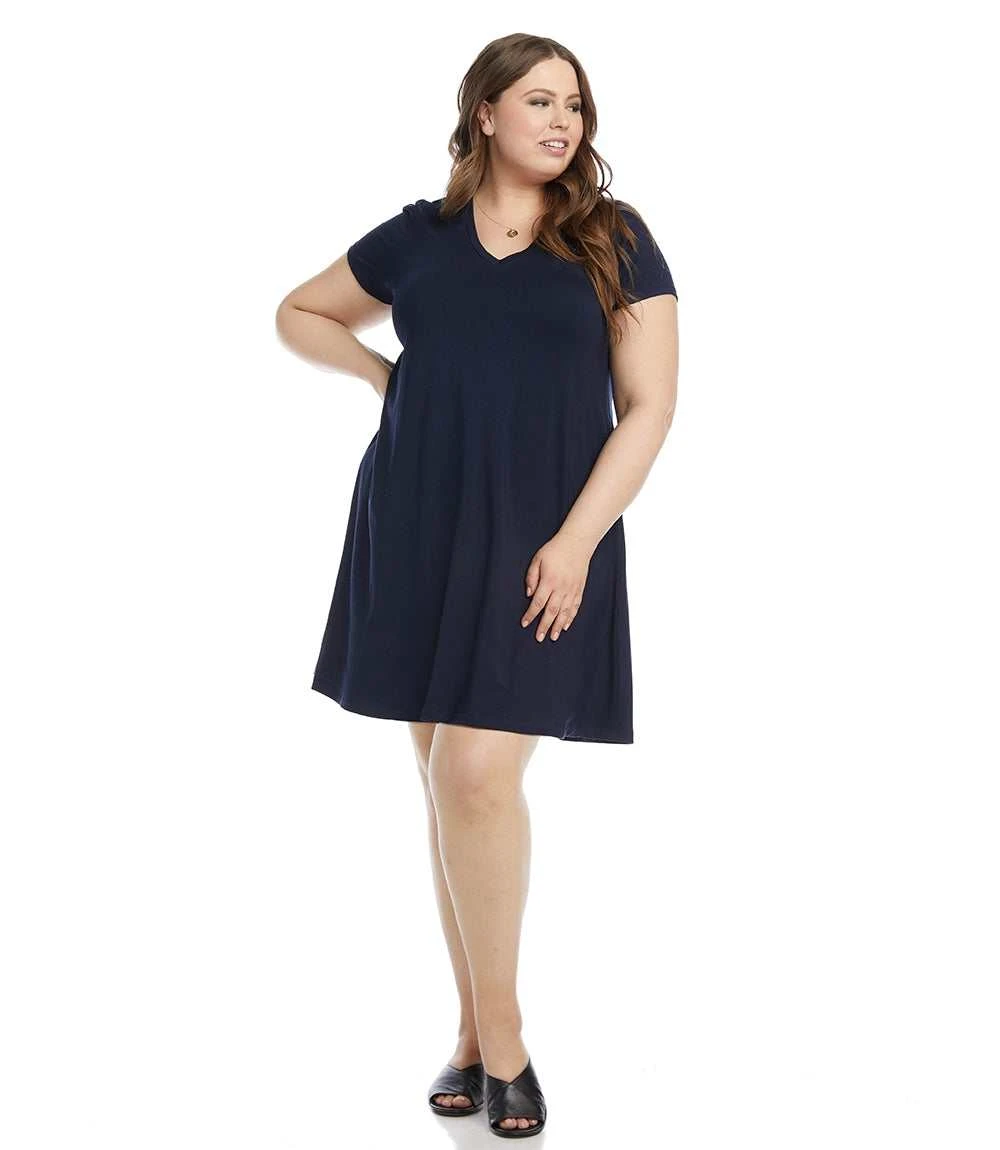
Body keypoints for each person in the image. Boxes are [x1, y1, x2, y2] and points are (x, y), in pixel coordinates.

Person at [275, 33, 679, 1139]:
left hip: (548, 539)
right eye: (539, 101)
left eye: (575, 106)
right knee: (445, 786)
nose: (563, 123)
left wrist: (578, 542)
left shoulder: (612, 238)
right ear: (486, 114)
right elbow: (299, 310)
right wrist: (382, 377)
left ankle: (504, 1044)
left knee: (474, 775)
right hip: (417, 524)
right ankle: (472, 1033)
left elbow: (650, 406)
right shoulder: (419, 237)